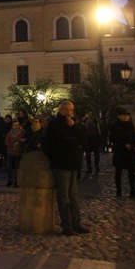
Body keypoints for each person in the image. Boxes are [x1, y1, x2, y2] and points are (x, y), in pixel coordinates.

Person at [44, 100, 89, 236]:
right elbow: (50, 144)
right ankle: (66, 226)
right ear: (60, 110)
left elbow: (84, 139)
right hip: (61, 164)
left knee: (73, 196)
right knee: (64, 197)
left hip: (73, 164)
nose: (69, 112)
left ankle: (76, 223)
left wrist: (74, 126)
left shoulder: (75, 124)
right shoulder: (55, 124)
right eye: (66, 110)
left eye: (71, 110)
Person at [109, 108, 135, 198]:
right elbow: (113, 138)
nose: (126, 117)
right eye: (124, 115)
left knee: (132, 171)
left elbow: (134, 137)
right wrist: (123, 145)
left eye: (127, 115)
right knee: (118, 171)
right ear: (119, 116)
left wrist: (131, 144)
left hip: (130, 152)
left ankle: (133, 190)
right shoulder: (114, 125)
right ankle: (118, 191)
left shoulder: (130, 125)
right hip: (120, 152)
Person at [5, 120, 27, 187]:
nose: (16, 127)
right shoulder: (10, 133)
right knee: (9, 166)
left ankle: (16, 181)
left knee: (17, 167)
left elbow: (25, 140)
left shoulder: (22, 133)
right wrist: (12, 144)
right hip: (10, 151)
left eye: (17, 125)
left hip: (18, 152)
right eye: (14, 125)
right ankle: (10, 180)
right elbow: (6, 142)